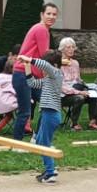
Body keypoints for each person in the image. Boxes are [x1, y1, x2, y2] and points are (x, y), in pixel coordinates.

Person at [12, 3, 58, 141]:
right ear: (42, 14)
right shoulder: (41, 29)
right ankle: (17, 144)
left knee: (49, 106)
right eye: (48, 13)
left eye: (54, 14)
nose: (51, 17)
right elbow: (45, 56)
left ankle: (36, 138)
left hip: (31, 76)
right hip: (23, 74)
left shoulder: (42, 29)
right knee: (25, 112)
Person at [23, 49, 63, 184]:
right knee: (40, 142)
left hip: (51, 114)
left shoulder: (56, 74)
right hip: (47, 114)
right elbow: (32, 83)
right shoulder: (47, 79)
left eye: (47, 66)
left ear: (55, 66)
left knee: (44, 143)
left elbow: (45, 66)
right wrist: (27, 66)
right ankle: (50, 168)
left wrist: (30, 59)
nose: (43, 70)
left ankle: (50, 172)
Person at [57, 36, 97, 131]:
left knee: (94, 95)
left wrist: (85, 87)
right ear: (62, 49)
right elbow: (61, 87)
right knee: (79, 98)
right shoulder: (58, 64)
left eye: (73, 47)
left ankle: (93, 122)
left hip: (77, 90)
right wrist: (79, 92)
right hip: (63, 96)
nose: (71, 49)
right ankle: (74, 123)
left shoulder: (75, 63)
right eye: (68, 47)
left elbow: (78, 80)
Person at [0, 58, 19, 134]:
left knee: (8, 116)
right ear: (11, 69)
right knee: (25, 106)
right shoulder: (12, 79)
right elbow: (15, 91)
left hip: (0, 102)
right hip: (9, 102)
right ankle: (26, 126)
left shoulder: (2, 79)